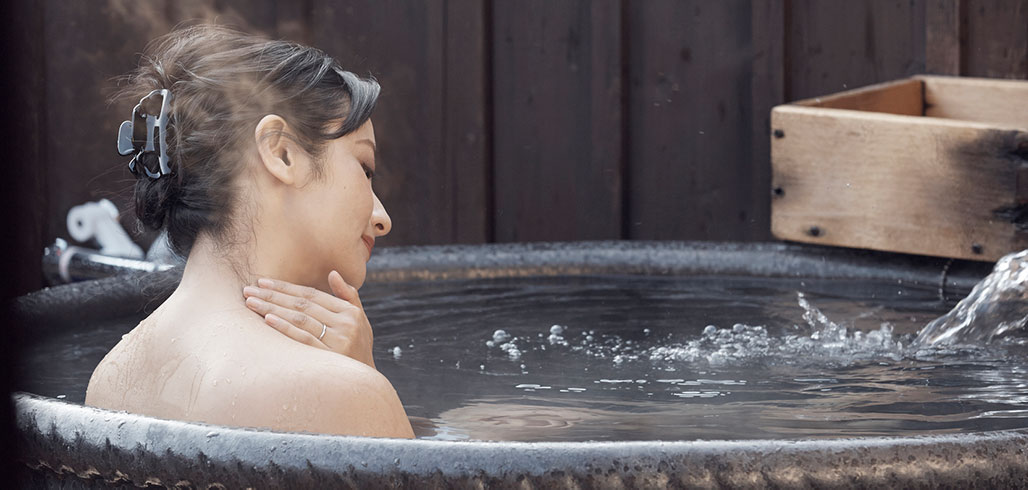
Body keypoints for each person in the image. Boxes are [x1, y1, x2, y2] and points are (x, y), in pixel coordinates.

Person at [85, 24, 414, 438]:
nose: (382, 218)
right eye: (364, 169)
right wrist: (365, 378)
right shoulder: (342, 392)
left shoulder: (110, 377)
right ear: (281, 153)